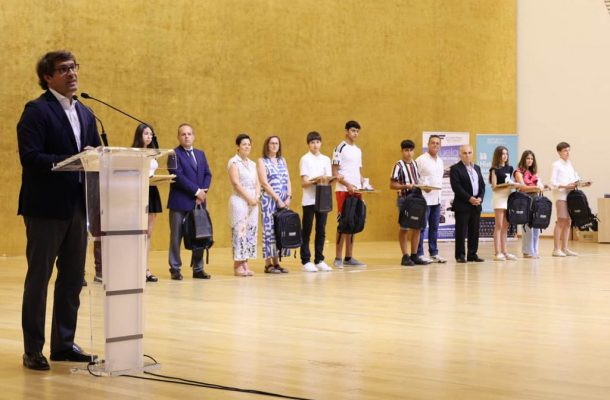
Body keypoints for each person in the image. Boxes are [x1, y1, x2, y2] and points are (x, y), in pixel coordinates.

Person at [17, 50, 99, 370]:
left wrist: (97, 156)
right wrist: (70, 161)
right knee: (39, 279)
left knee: (73, 278)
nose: (72, 73)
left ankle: (63, 345)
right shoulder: (36, 111)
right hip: (45, 208)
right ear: (47, 77)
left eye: (74, 67)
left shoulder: (87, 112)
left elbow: (96, 153)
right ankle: (33, 349)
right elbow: (30, 157)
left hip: (77, 206)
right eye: (63, 69)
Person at [167, 123, 212, 280]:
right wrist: (196, 191)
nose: (186, 136)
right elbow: (177, 176)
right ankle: (175, 268)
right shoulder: (173, 154)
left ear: (193, 136)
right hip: (179, 203)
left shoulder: (200, 154)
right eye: (183, 134)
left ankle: (198, 268)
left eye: (189, 134)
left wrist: (203, 192)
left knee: (199, 235)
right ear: (178, 137)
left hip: (198, 203)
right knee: (176, 237)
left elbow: (207, 174)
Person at [332, 120, 367, 268]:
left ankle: (349, 257)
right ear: (346, 131)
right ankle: (338, 258)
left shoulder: (358, 150)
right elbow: (335, 172)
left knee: (354, 222)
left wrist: (363, 182)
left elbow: (357, 171)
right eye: (353, 130)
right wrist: (347, 185)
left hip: (356, 191)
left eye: (357, 131)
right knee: (343, 223)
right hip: (343, 190)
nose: (355, 133)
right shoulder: (340, 148)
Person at [390, 139, 430, 266]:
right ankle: (405, 256)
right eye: (406, 150)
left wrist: (425, 187)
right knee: (404, 228)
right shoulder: (398, 165)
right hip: (404, 200)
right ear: (402, 151)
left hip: (416, 200)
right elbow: (392, 185)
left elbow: (417, 182)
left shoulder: (414, 164)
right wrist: (405, 186)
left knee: (417, 227)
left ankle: (414, 255)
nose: (409, 153)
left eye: (411, 150)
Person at [299, 131, 335, 272]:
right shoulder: (305, 159)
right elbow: (304, 183)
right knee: (307, 230)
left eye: (318, 142)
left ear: (321, 143)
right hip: (309, 200)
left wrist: (332, 179)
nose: (315, 145)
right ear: (308, 144)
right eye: (312, 142)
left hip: (323, 199)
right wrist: (316, 180)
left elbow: (328, 180)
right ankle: (306, 261)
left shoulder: (326, 159)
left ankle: (319, 259)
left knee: (321, 230)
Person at [228, 134, 260, 277]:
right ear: (238, 146)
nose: (247, 147)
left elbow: (258, 182)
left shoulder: (253, 164)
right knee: (239, 232)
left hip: (253, 202)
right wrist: (249, 198)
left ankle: (245, 262)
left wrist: (256, 197)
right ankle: (237, 265)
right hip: (240, 201)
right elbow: (236, 183)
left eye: (249, 144)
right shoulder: (234, 162)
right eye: (244, 144)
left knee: (250, 232)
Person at [132, 123, 161, 282]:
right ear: (139, 135)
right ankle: (135, 267)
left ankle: (145, 268)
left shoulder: (153, 153)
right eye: (146, 134)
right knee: (138, 233)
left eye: (151, 134)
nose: (149, 137)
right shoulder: (134, 153)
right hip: (138, 190)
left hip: (152, 190)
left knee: (148, 233)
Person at [449, 145, 486, 263]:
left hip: (476, 204)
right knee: (461, 231)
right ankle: (460, 255)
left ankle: (472, 254)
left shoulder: (477, 168)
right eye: (464, 153)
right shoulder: (455, 169)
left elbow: (482, 186)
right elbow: (456, 187)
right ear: (460, 154)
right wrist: (469, 198)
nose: (467, 155)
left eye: (469, 152)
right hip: (462, 205)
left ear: (472, 153)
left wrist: (480, 198)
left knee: (474, 231)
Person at [550, 142, 586, 257]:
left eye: (568, 150)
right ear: (559, 152)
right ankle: (556, 249)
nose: (567, 153)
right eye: (565, 150)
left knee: (568, 222)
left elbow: (574, 179)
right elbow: (553, 183)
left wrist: (583, 183)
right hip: (561, 196)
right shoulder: (556, 165)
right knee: (561, 220)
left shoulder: (569, 164)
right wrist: (566, 186)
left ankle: (565, 248)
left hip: (571, 197)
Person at [415, 135, 447, 263]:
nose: (435, 145)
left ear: (440, 146)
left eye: (437, 143)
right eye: (433, 143)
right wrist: (423, 187)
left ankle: (434, 253)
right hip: (424, 199)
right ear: (428, 144)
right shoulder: (420, 160)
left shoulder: (440, 161)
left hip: (437, 200)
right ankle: (419, 253)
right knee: (422, 228)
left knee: (434, 227)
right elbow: (414, 178)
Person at [514, 150, 546, 258]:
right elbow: (522, 187)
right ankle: (527, 251)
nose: (530, 160)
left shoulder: (534, 173)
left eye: (532, 159)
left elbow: (539, 186)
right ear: (523, 159)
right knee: (527, 227)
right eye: (528, 158)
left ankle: (535, 250)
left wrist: (544, 186)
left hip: (536, 200)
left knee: (536, 226)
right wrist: (536, 188)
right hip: (525, 201)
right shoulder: (518, 172)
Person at [489, 146, 517, 261]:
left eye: (506, 154)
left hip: (508, 197)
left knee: (506, 225)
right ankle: (497, 252)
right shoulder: (494, 169)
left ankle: (505, 252)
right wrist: (506, 185)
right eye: (502, 154)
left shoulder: (510, 168)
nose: (505, 156)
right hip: (499, 197)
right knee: (499, 225)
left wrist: (513, 185)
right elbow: (494, 187)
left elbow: (510, 181)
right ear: (498, 155)